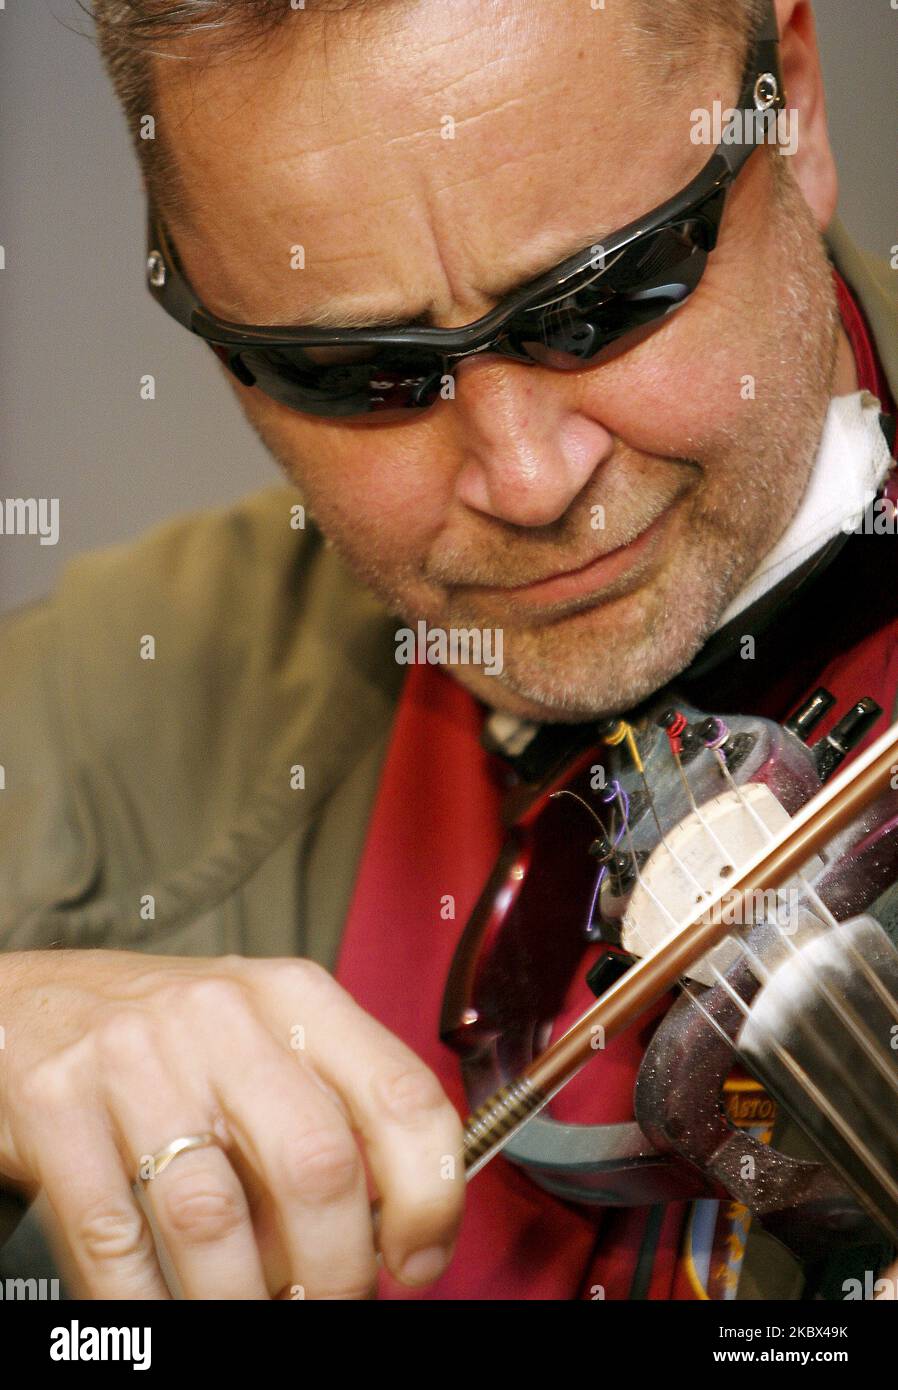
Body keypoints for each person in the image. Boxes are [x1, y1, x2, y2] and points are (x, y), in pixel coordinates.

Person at [1, 0, 896, 1300]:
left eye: (602, 299)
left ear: (794, 105)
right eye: (355, 371)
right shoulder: (88, 708)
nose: (525, 480)